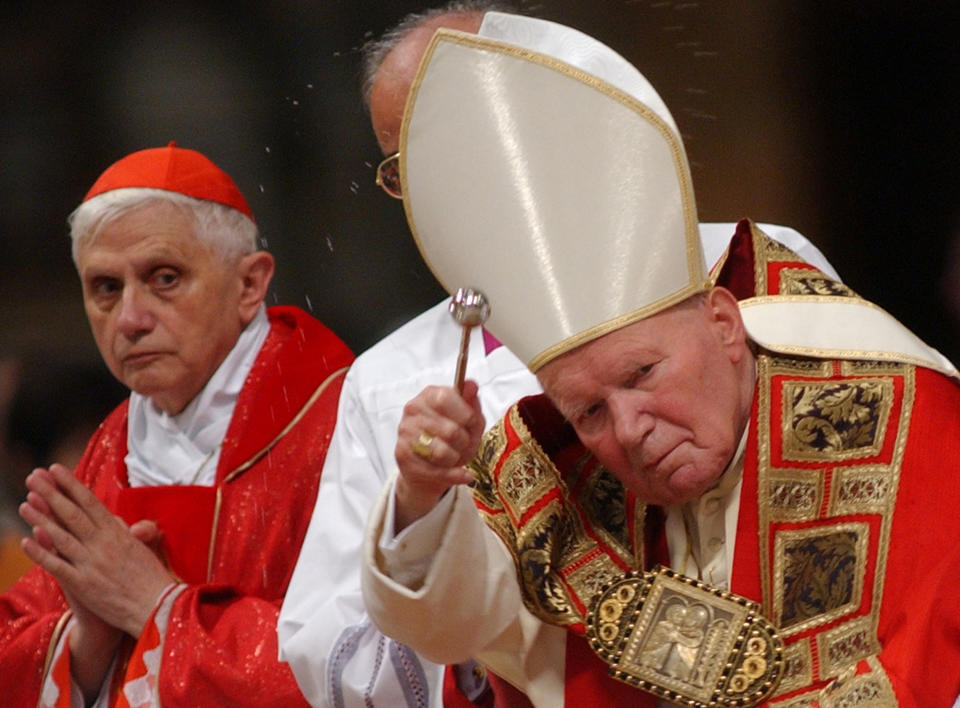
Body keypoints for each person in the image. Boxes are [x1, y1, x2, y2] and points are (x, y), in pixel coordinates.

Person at [358, 12, 960, 707]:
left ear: (724, 323)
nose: (630, 429)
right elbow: (452, 620)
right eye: (589, 412)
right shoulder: (559, 470)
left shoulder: (905, 420)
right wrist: (420, 497)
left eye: (643, 374)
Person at [277, 4, 839, 708]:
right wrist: (426, 517)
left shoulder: (748, 264)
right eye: (406, 167)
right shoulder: (392, 381)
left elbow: (883, 482)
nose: (442, 186)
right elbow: (337, 651)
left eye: (459, 140)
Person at [0, 143, 354, 707]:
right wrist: (85, 640)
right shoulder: (109, 447)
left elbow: (375, 661)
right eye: (106, 289)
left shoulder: (338, 422)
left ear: (249, 285)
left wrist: (157, 606)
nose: (131, 320)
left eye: (164, 278)